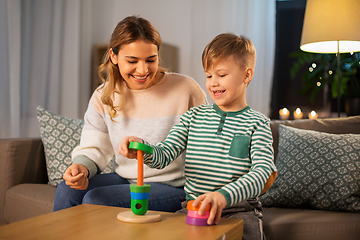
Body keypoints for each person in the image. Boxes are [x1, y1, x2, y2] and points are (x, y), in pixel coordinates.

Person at [119, 33, 277, 240]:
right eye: (209, 75)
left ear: (247, 75)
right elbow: (164, 154)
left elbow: (264, 172)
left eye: (221, 75)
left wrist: (223, 196)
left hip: (239, 210)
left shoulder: (258, 124)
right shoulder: (192, 117)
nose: (213, 83)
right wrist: (142, 147)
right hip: (193, 208)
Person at [53, 16, 207, 212]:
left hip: (174, 186)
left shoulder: (185, 89)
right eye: (132, 61)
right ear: (114, 56)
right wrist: (80, 168)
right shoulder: (103, 95)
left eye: (151, 60)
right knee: (66, 191)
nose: (142, 70)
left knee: (96, 199)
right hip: (126, 180)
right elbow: (94, 149)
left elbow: (208, 144)